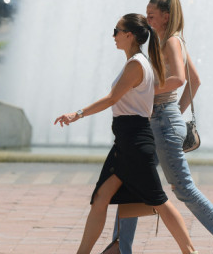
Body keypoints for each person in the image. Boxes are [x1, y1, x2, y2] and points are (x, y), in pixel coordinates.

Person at [112, 0, 213, 254]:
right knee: (130, 183)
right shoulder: (168, 39)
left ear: (165, 16)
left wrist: (144, 92)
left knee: (183, 189)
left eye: (151, 16)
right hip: (160, 120)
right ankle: (120, 247)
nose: (147, 21)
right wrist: (175, 112)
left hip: (161, 122)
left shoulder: (171, 41)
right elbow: (195, 80)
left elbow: (180, 79)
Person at [54, 13, 198, 254]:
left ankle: (190, 251)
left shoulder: (136, 65)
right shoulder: (139, 62)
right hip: (126, 140)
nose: (113, 36)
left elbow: (112, 99)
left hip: (134, 142)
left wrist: (76, 114)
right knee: (101, 198)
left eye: (117, 31)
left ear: (129, 35)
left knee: (159, 201)